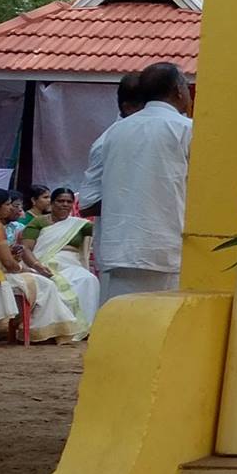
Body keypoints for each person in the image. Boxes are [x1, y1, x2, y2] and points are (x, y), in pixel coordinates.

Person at [81, 62, 193, 306]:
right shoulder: (186, 129)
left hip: (118, 250)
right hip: (167, 248)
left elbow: (88, 201)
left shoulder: (112, 134)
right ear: (178, 89)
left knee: (122, 329)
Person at [0, 188, 81, 342]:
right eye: (7, 205)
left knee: (39, 280)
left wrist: (13, 255)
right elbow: (8, 264)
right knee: (46, 284)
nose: (11, 208)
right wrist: (23, 268)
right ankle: (38, 331)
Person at [28, 187, 100, 336]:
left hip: (71, 264)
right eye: (60, 201)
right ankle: (61, 329)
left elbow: (103, 228)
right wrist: (37, 265)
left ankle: (84, 328)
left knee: (88, 279)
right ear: (52, 203)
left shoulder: (81, 225)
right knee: (51, 283)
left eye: (69, 201)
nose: (65, 204)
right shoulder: (39, 222)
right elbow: (26, 248)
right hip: (42, 263)